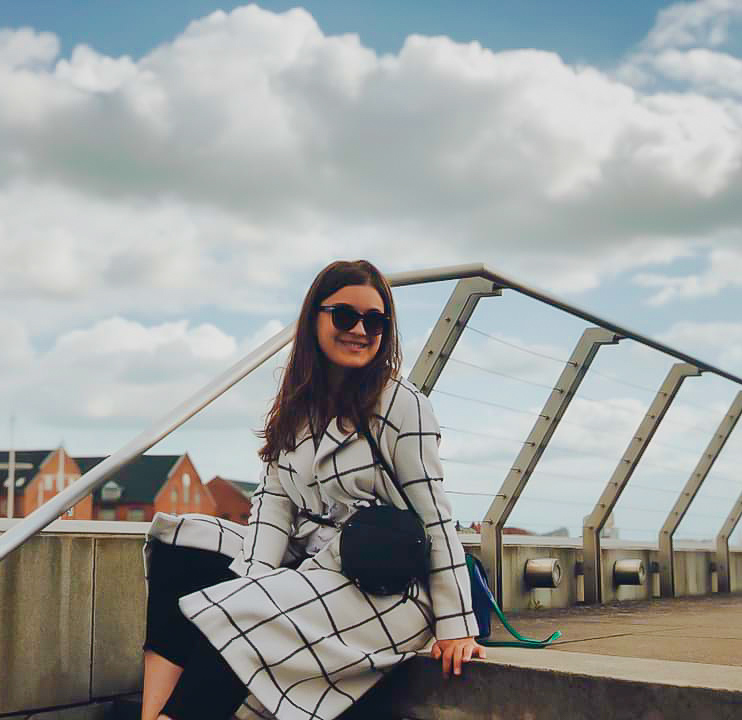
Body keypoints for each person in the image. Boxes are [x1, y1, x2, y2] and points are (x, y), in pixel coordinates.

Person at [140, 259, 484, 720]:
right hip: (306, 562)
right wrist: (254, 575)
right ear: (314, 320)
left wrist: (456, 626)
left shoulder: (403, 405)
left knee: (247, 609)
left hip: (382, 585)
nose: (360, 330)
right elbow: (274, 504)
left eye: (375, 321)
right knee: (179, 542)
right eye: (345, 316)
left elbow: (436, 517)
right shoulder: (297, 406)